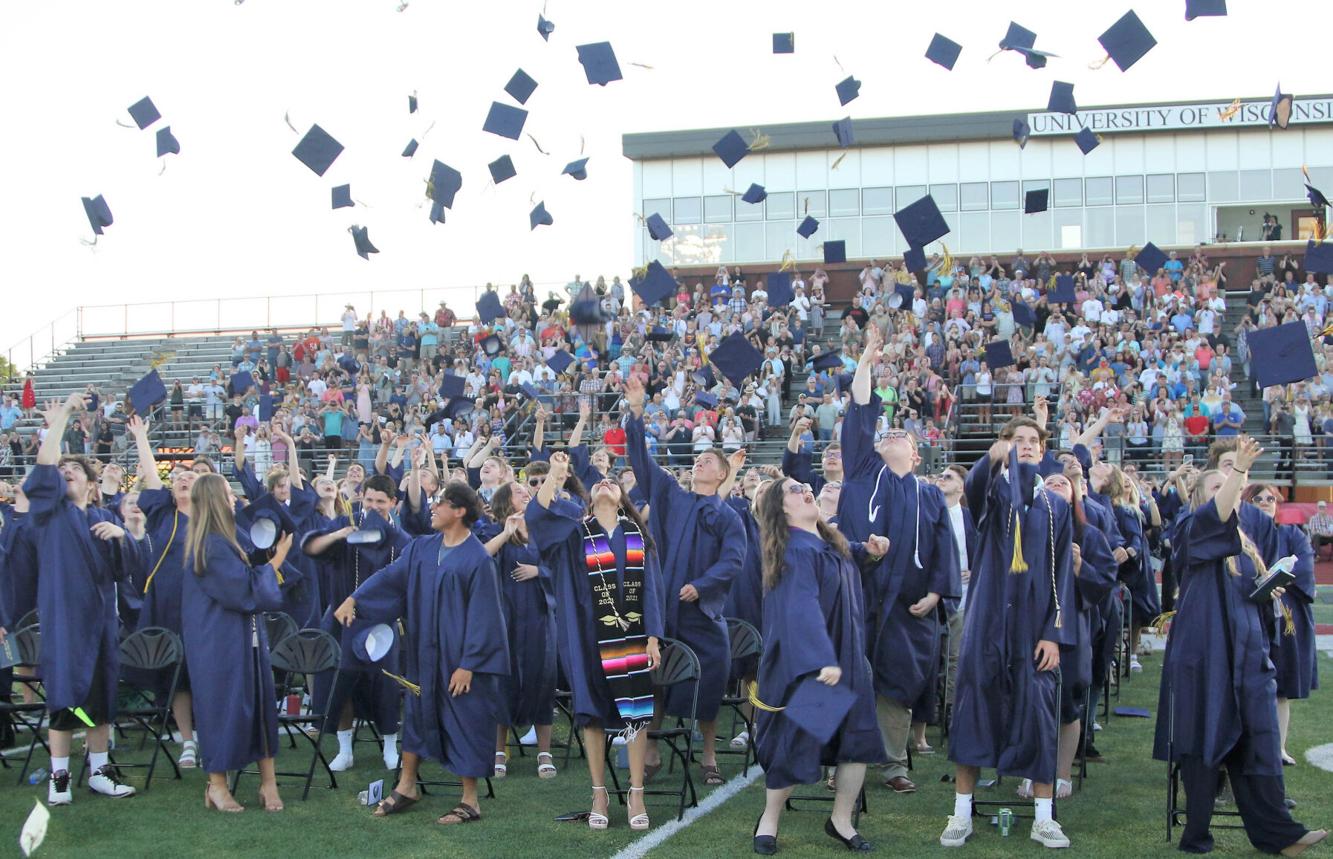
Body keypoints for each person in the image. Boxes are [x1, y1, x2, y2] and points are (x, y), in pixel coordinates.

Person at [1152, 437, 1325, 856]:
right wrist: (1240, 473)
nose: (1227, 488)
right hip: (1205, 657)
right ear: (1199, 496)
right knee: (1204, 741)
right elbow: (1218, 514)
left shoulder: (1248, 547)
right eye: (1217, 484)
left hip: (1248, 657)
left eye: (1230, 483)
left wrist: (1270, 587)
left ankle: (1279, 835)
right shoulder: (1190, 528)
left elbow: (1248, 594)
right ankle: (1196, 835)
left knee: (1259, 744)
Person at [334, 480, 509, 827]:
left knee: (465, 719)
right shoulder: (422, 548)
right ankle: (407, 785)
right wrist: (356, 598)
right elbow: (390, 576)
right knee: (416, 713)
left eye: (440, 502)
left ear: (459, 511)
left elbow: (486, 616)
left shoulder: (477, 559)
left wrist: (469, 665)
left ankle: (470, 799)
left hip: (459, 657)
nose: (433, 507)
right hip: (425, 651)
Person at [942, 416, 1076, 850]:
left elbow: (1062, 579)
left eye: (1034, 440)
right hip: (987, 622)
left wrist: (1054, 633)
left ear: (1043, 448)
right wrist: (989, 460)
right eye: (1017, 439)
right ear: (1003, 446)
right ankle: (961, 813)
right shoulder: (993, 493)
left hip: (1033, 626)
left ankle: (1043, 817)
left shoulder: (1054, 505)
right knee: (973, 710)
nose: (1027, 445)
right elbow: (975, 488)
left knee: (1037, 712)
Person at [841, 325, 959, 794]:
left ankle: (892, 764)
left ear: (915, 452)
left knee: (896, 684)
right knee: (848, 676)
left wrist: (936, 592)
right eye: (885, 431)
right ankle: (840, 762)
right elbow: (862, 413)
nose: (891, 433)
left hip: (909, 604)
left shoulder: (929, 496)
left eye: (902, 434)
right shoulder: (861, 469)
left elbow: (943, 550)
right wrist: (866, 364)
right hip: (857, 593)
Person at [526, 451, 663, 831]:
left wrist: (653, 637)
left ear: (622, 497)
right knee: (592, 714)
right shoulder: (574, 530)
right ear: (589, 496)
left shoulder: (639, 536)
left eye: (613, 482)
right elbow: (536, 517)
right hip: (586, 634)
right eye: (600, 480)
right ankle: (599, 792)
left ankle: (636, 793)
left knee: (635, 714)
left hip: (632, 637)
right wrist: (556, 474)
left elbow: (652, 588)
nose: (606, 482)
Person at [750, 476, 887, 854]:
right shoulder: (794, 551)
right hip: (816, 663)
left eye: (802, 484)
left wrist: (872, 552)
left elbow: (852, 558)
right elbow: (802, 609)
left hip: (849, 659)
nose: (804, 488)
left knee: (858, 740)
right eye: (793, 489)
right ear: (781, 509)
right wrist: (821, 659)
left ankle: (841, 821)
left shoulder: (831, 543)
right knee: (797, 741)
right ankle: (770, 819)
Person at [17, 393, 141, 805]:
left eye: (75, 469)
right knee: (65, 698)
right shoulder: (50, 514)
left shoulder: (103, 519)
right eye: (63, 469)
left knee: (100, 699)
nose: (66, 471)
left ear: (92, 484)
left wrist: (124, 536)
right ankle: (60, 777)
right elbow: (43, 469)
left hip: (101, 620)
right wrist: (65, 416)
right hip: (64, 620)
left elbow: (128, 571)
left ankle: (100, 771)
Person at [623, 374, 746, 787]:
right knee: (653, 676)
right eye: (696, 460)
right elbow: (641, 461)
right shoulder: (671, 495)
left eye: (708, 461)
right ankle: (652, 746)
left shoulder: (727, 517)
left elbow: (734, 561)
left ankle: (709, 754)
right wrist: (637, 413)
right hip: (662, 606)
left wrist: (703, 585)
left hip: (700, 612)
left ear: (723, 473)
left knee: (712, 673)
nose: (698, 463)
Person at [182, 473, 290, 813]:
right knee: (221, 710)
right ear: (216, 500)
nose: (234, 499)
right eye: (229, 494)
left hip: (245, 639)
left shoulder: (226, 539)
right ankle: (217, 785)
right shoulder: (210, 546)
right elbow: (242, 590)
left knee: (260, 705)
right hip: (219, 644)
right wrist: (278, 561)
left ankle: (268, 783)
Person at [302, 474, 411, 772]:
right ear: (361, 497)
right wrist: (339, 535)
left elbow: (405, 584)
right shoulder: (345, 526)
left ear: (393, 503)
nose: (374, 506)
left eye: (381, 501)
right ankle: (345, 749)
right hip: (341, 619)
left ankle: (390, 746)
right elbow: (310, 548)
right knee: (340, 684)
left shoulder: (399, 540)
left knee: (386, 686)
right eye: (369, 499)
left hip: (381, 622)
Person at [127, 415, 201, 767]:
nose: (184, 479)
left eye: (192, 477)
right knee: (177, 675)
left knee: (206, 671)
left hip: (204, 609)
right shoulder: (161, 515)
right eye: (180, 478)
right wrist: (142, 436)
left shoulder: (213, 519)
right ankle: (187, 740)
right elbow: (153, 475)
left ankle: (212, 733)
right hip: (168, 608)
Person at [484, 480, 558, 780]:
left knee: (543, 680)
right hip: (506, 617)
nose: (526, 493)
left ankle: (544, 753)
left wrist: (540, 571)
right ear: (505, 501)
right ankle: (499, 752)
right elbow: (479, 557)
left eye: (528, 491)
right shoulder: (494, 531)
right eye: (518, 491)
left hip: (540, 618)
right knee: (504, 681)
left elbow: (566, 567)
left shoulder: (545, 532)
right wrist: (506, 532)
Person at [1244, 484, 1318, 767]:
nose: (1264, 502)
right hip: (1249, 613)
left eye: (1270, 498)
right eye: (1257, 498)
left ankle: (1279, 747)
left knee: (1281, 686)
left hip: (1286, 614)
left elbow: (1303, 569)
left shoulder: (1292, 534)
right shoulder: (1240, 536)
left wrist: (1272, 579)